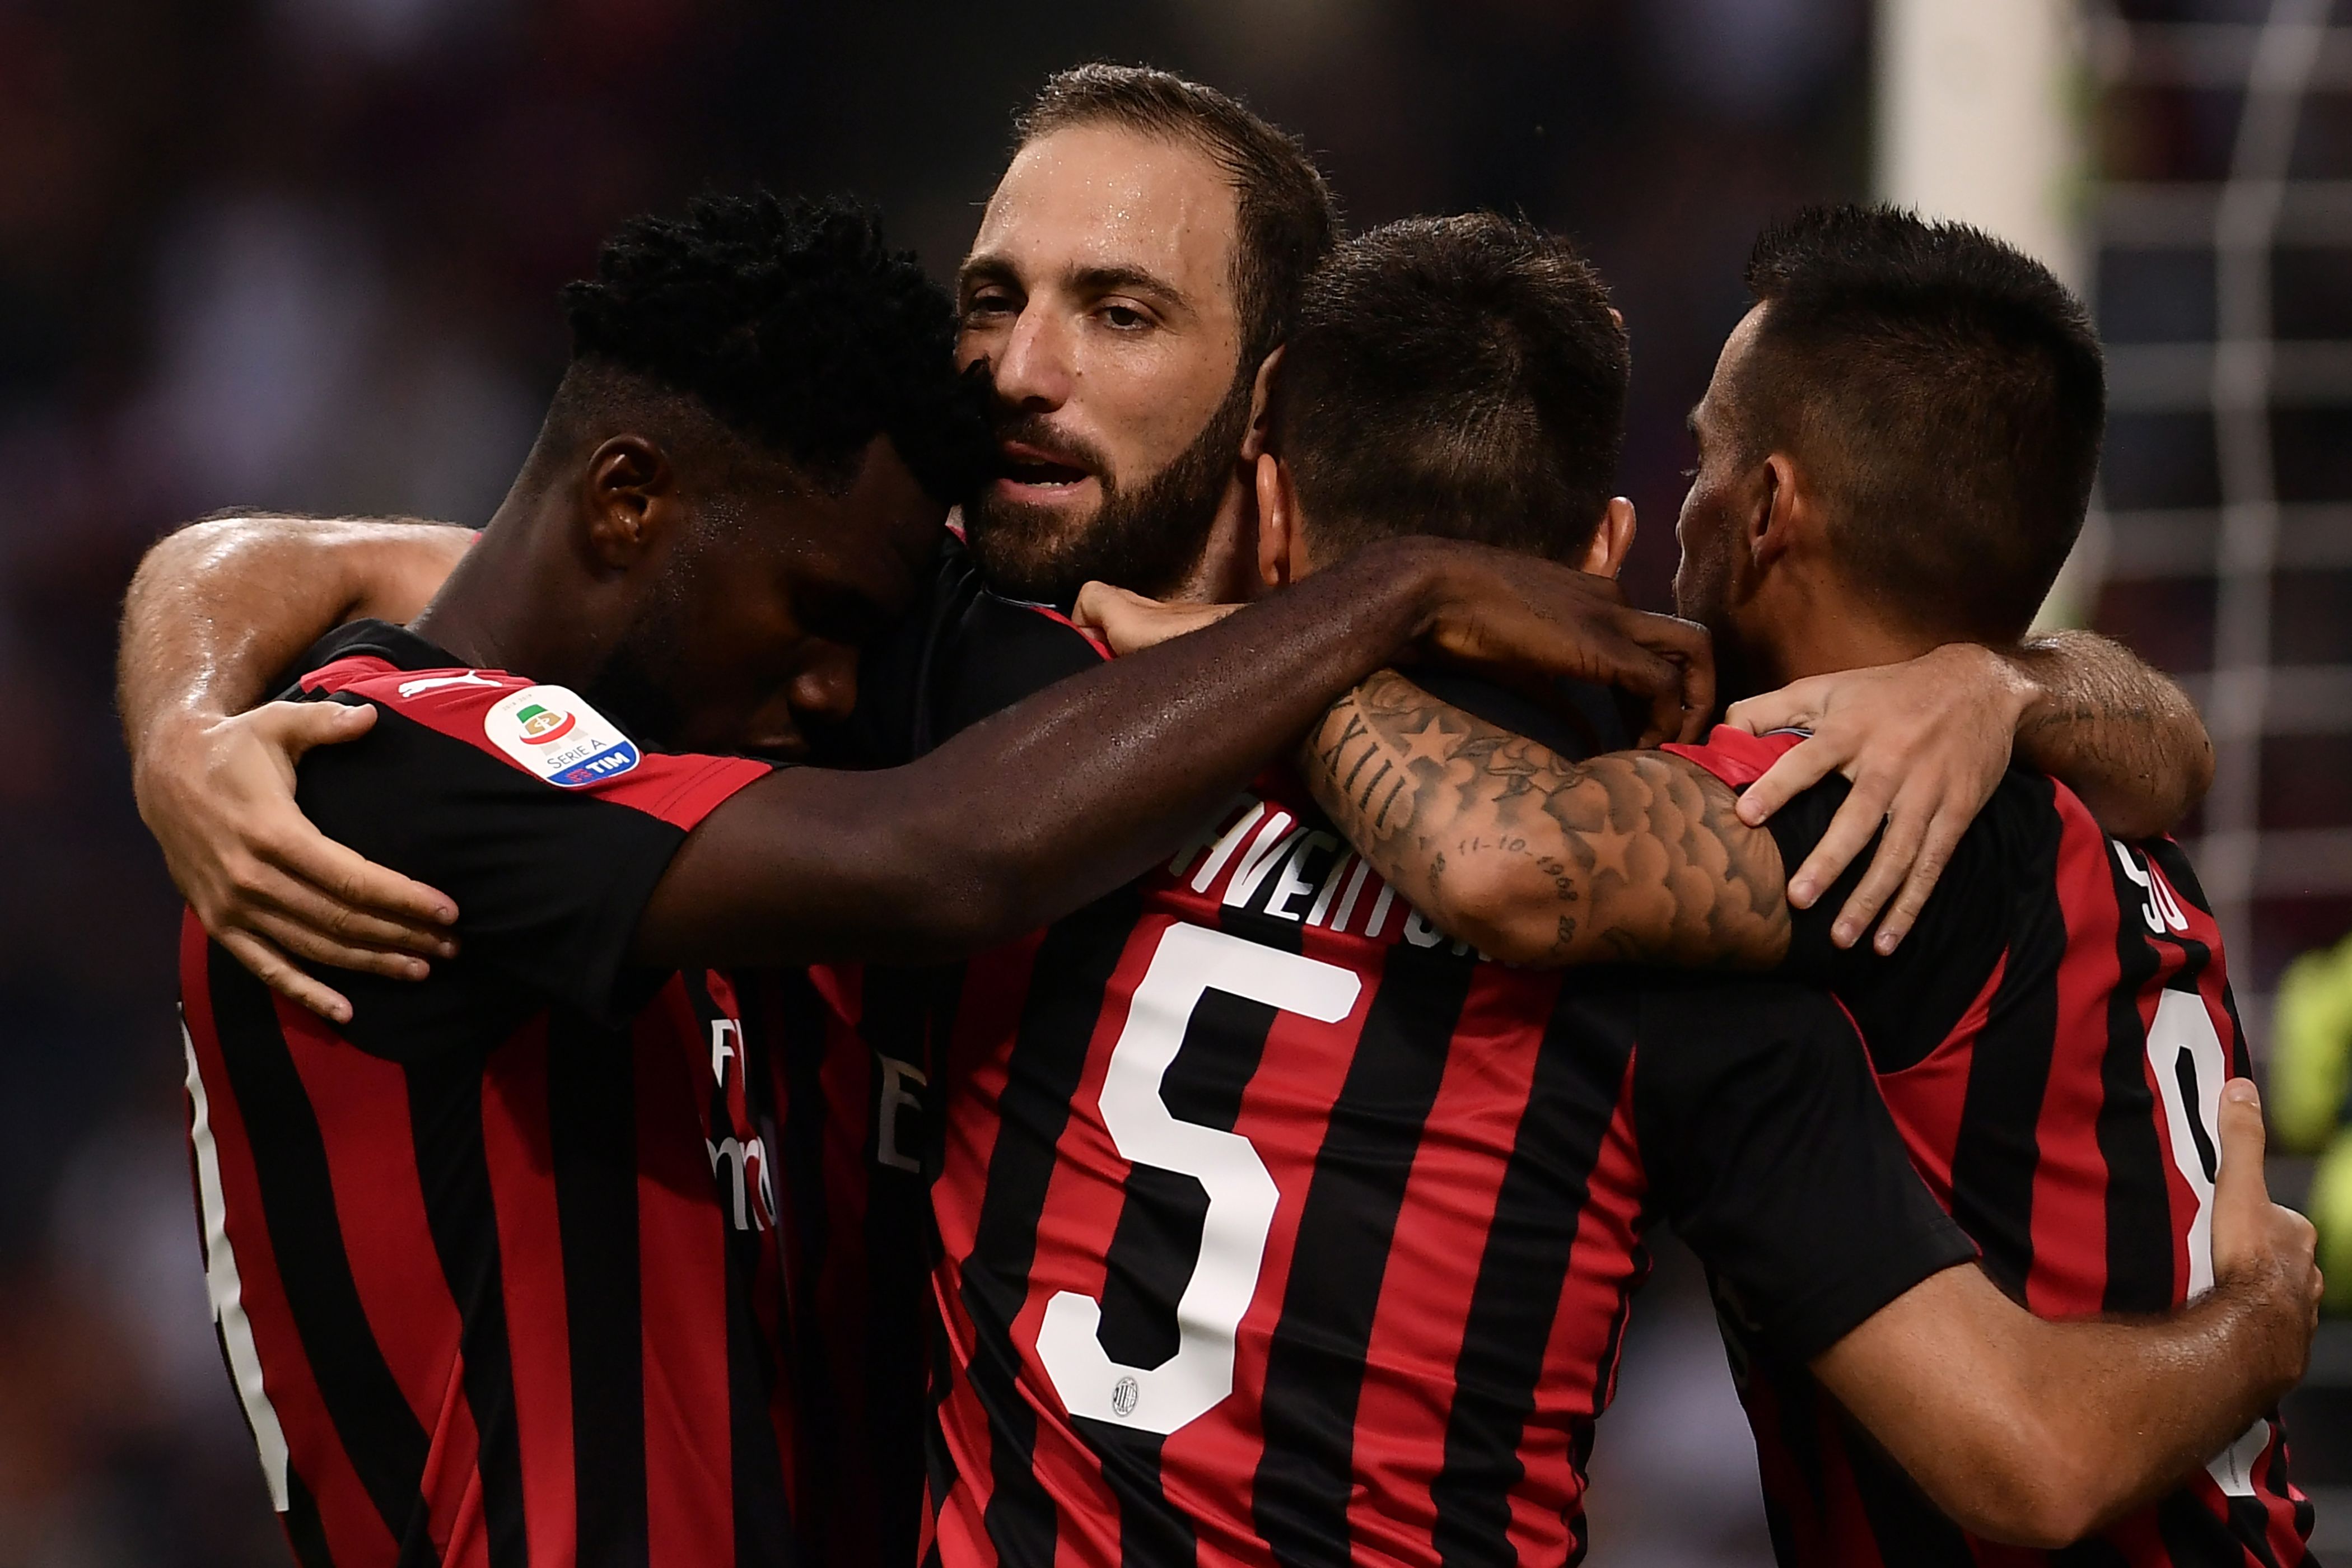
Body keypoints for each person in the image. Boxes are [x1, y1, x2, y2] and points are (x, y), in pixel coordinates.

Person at [116, 68, 2283, 1567]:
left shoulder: (979, 694)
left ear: (1266, 436)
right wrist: (183, 692)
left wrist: (1991, 679)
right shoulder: (905, 666)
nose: (1023, 369)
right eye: (994, 295)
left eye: (1115, 310)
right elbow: (408, 572)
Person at [156, 188, 1712, 1568]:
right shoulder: (388, 768)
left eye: (1120, 310)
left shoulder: (670, 762)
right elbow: (944, 855)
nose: (840, 694)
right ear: (629, 502)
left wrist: (1959, 691)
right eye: (820, 612)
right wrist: (1405, 587)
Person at [1222, 204, 2319, 1565]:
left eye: (1702, 459)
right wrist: (1998, 675)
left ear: (1767, 509)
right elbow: (2177, 743)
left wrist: (1256, 648)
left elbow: (1502, 861)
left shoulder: (1841, 799)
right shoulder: (2101, 800)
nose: (1678, 504)